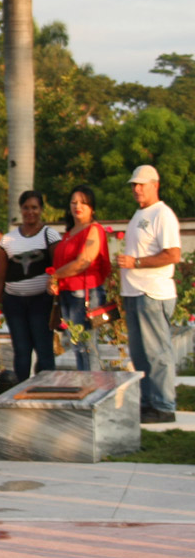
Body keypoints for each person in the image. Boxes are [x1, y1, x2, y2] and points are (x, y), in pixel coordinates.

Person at [116, 165, 181, 423]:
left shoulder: (162, 214)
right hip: (133, 292)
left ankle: (164, 406)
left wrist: (137, 263)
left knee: (157, 353)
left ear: (156, 184)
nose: (137, 188)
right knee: (140, 353)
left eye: (142, 184)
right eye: (134, 184)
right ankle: (147, 403)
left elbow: (173, 254)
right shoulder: (139, 214)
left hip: (153, 292)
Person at [0, 190, 60, 383]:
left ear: (41, 209)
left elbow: (58, 269)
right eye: (26, 208)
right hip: (14, 303)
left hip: (41, 301)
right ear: (21, 209)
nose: (30, 212)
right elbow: (0, 276)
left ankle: (46, 390)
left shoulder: (50, 235)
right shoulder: (8, 240)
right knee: (21, 350)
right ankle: (20, 391)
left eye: (34, 207)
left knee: (43, 348)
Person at [46, 186, 111, 372]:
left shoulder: (93, 230)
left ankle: (94, 388)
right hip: (68, 294)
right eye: (74, 202)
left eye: (83, 202)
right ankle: (86, 384)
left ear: (92, 208)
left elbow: (83, 262)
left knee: (87, 345)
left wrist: (56, 275)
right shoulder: (69, 233)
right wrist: (54, 282)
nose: (78, 206)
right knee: (77, 345)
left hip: (85, 294)